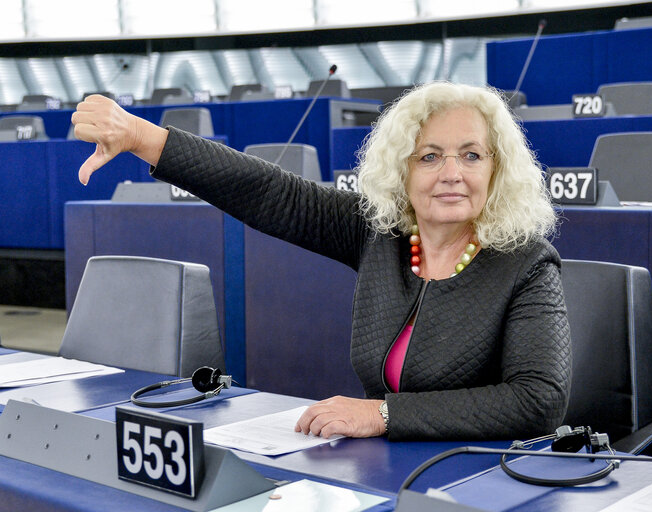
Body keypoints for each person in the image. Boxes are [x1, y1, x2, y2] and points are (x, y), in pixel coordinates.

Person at [71, 81, 571, 441]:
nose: (451, 173)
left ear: (496, 169)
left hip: (485, 477)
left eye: (471, 155)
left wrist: (383, 415)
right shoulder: (378, 233)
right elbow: (269, 192)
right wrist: (139, 136)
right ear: (402, 170)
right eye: (429, 156)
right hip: (392, 466)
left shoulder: (527, 263)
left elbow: (537, 400)